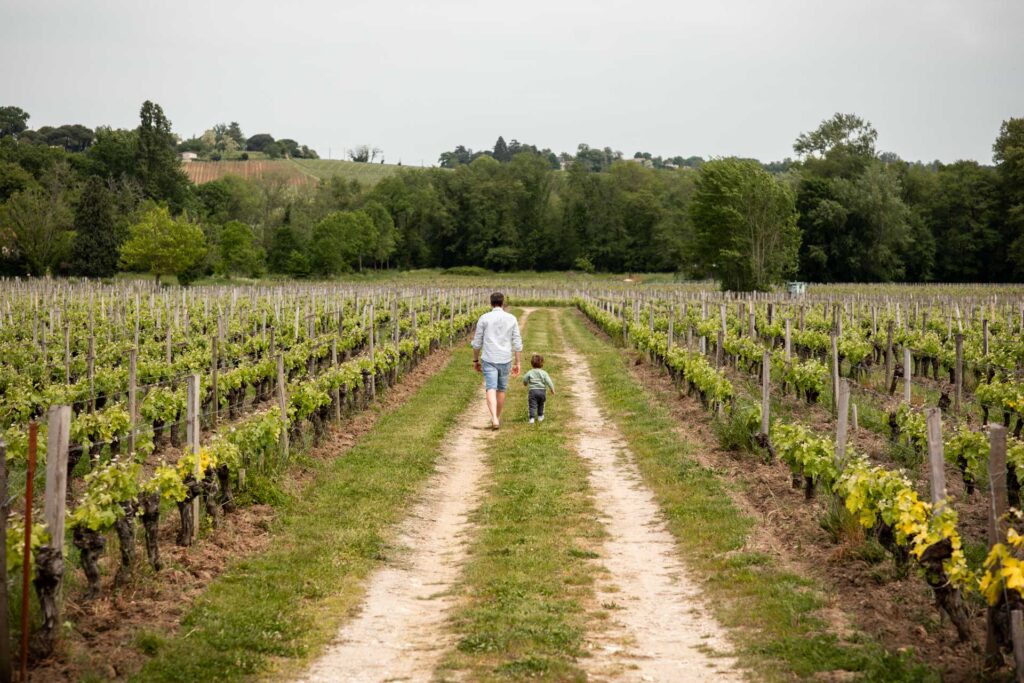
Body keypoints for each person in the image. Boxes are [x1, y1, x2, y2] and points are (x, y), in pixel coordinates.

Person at [471, 292, 522, 429]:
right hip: (505, 358)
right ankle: (496, 418)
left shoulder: (484, 318)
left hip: (489, 357)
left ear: (491, 302)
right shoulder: (511, 318)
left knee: (490, 387)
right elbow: (517, 342)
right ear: (503, 302)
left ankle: (494, 417)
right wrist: (518, 362)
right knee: (501, 389)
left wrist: (475, 360)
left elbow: (477, 343)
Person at [522, 354, 555, 424]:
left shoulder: (530, 372)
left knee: (532, 405)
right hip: (542, 391)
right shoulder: (544, 373)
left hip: (533, 391)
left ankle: (532, 418)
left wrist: (525, 383)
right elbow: (549, 381)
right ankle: (540, 416)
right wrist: (552, 389)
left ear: (532, 364)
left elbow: (525, 379)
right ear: (542, 364)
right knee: (541, 404)